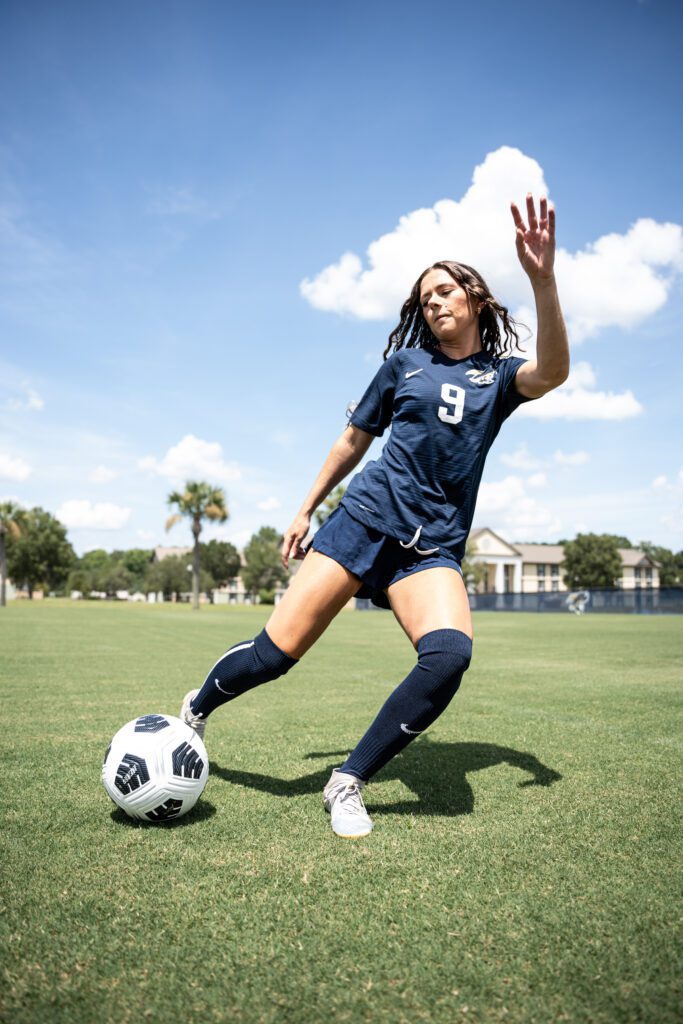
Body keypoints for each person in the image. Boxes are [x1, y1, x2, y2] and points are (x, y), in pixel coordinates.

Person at [180, 194, 570, 839]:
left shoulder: (497, 378)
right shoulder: (403, 366)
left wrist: (544, 280)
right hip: (361, 522)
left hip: (429, 548)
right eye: (425, 299)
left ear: (475, 298)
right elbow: (353, 440)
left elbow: (552, 372)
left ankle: (348, 780)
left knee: (448, 657)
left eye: (447, 291)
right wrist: (304, 510)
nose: (436, 303)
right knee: (275, 656)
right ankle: (195, 709)